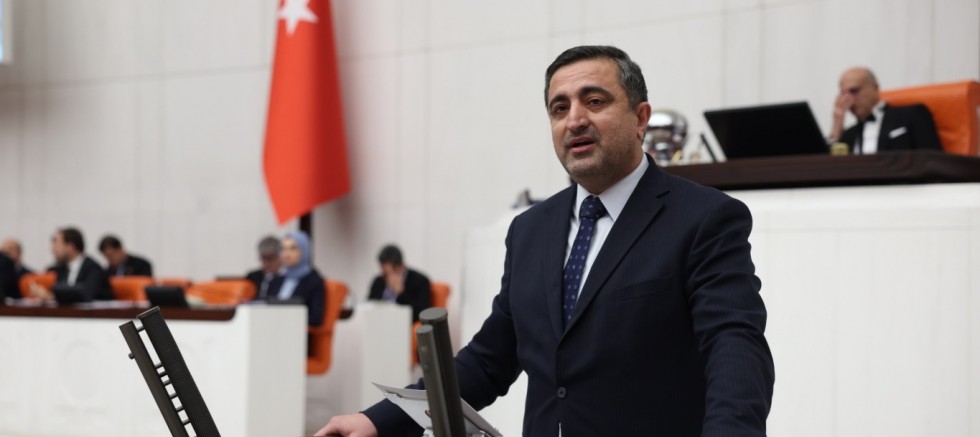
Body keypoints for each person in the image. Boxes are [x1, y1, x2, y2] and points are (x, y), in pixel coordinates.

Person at [317, 45, 774, 437]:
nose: (574, 120)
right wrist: (377, 421)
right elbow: (489, 360)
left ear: (640, 118)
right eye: (559, 108)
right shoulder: (530, 230)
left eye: (594, 101)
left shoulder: (703, 218)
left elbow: (735, 348)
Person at [828, 67, 942, 154]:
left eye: (854, 91)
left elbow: (933, 160)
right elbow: (828, 169)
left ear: (875, 87)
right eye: (843, 94)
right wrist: (837, 126)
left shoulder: (912, 115)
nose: (848, 100)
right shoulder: (848, 135)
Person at [267, 230, 325, 329]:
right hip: (270, 329)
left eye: (292, 248)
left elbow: (315, 319)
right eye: (283, 249)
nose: (286, 254)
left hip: (297, 332)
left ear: (304, 250)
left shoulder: (314, 282)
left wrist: (286, 321)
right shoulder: (275, 281)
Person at [367, 244, 431, 322]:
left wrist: (401, 293)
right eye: (382, 268)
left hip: (401, 322)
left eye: (388, 270)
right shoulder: (379, 280)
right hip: (378, 320)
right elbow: (369, 304)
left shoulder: (419, 281)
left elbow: (420, 313)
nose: (384, 273)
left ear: (400, 266)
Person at [46, 227, 112, 301]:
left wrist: (52, 296)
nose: (53, 249)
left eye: (57, 244)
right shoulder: (58, 269)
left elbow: (87, 294)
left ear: (71, 247)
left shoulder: (93, 269)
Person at [245, 235, 282, 300]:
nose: (267, 263)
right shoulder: (252, 278)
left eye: (270, 259)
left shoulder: (286, 278)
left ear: (280, 257)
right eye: (263, 259)